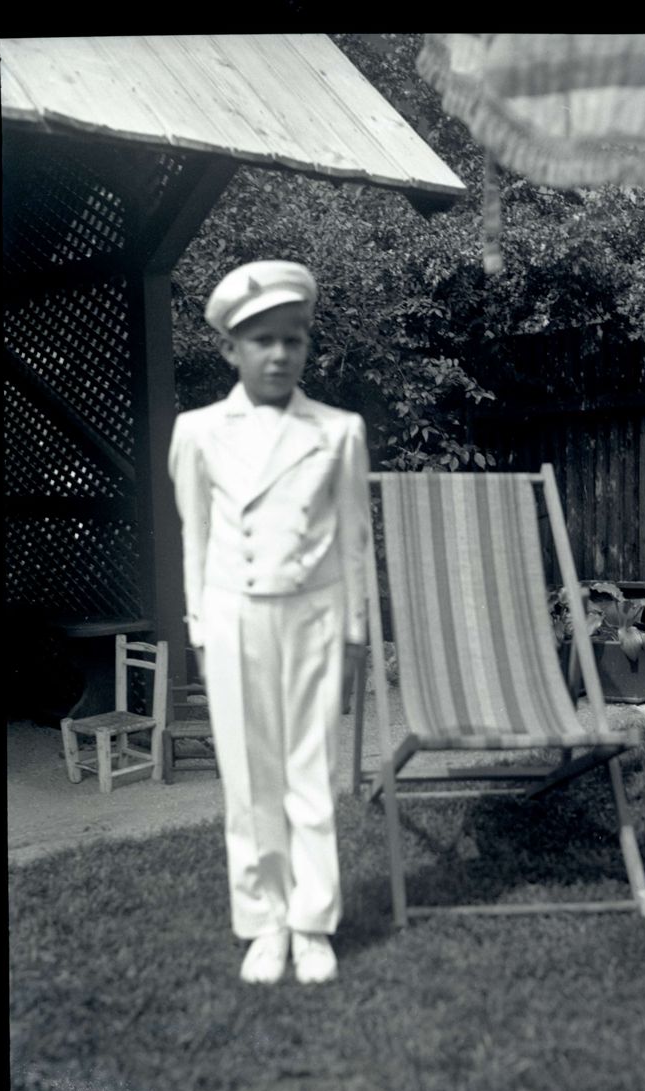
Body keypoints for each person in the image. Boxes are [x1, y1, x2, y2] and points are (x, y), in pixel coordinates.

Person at [168, 261, 369, 985]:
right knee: (250, 779)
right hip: (232, 617)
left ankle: (312, 922)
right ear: (230, 349)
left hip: (313, 617)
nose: (279, 354)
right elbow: (195, 537)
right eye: (261, 341)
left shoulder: (337, 431)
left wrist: (352, 635)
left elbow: (352, 541)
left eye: (293, 339)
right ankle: (264, 923)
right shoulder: (197, 431)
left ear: (307, 346)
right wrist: (198, 629)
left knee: (307, 773)